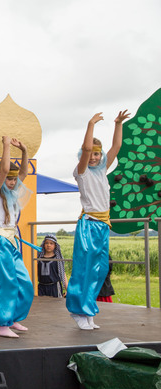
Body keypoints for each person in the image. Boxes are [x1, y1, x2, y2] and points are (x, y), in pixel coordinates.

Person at [66, 110, 130, 330]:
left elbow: (117, 146)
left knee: (100, 270)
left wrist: (118, 124)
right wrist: (91, 123)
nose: (94, 156)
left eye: (97, 154)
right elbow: (85, 149)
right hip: (89, 225)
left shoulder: (102, 169)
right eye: (91, 153)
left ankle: (88, 308)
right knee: (85, 269)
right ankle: (78, 310)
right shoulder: (81, 171)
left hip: (103, 225)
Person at [0, 136, 34, 338]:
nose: (12, 182)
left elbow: (24, 172)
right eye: (9, 179)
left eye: (14, 179)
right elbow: (4, 171)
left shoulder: (12, 193)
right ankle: (3, 325)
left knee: (24, 282)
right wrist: (5, 146)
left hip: (11, 241)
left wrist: (24, 150)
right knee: (5, 284)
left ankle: (14, 318)